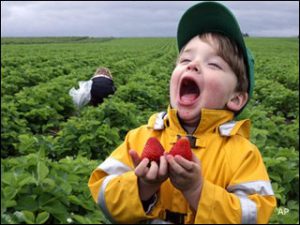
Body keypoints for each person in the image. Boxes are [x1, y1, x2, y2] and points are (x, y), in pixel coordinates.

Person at [88, 2, 276, 224]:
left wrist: (197, 190)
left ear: (235, 98)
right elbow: (103, 195)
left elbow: (255, 216)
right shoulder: (139, 139)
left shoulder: (243, 154)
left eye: (214, 64)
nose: (193, 65)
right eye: (185, 59)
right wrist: (143, 185)